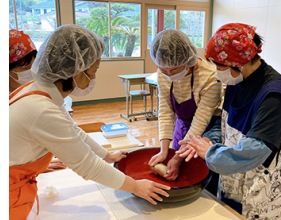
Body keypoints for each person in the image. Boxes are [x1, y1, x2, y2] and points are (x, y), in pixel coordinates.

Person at [9, 24, 170, 220]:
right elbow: (87, 166)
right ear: (76, 70)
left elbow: (72, 130)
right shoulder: (41, 109)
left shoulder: (41, 92)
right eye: (93, 71)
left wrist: (106, 155)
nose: (94, 78)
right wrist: (135, 186)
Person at [177, 23, 281, 219]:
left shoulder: (275, 95)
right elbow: (225, 125)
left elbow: (254, 151)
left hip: (260, 184)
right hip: (232, 176)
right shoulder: (236, 82)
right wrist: (210, 140)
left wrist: (210, 152)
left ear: (239, 63)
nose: (217, 72)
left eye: (219, 66)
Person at [148, 29, 222, 192]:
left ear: (188, 60)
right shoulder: (163, 73)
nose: (168, 74)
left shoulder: (210, 77)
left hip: (208, 128)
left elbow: (201, 119)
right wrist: (164, 151)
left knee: (202, 174)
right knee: (179, 174)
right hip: (183, 126)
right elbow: (166, 111)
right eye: (163, 69)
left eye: (173, 70)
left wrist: (177, 157)